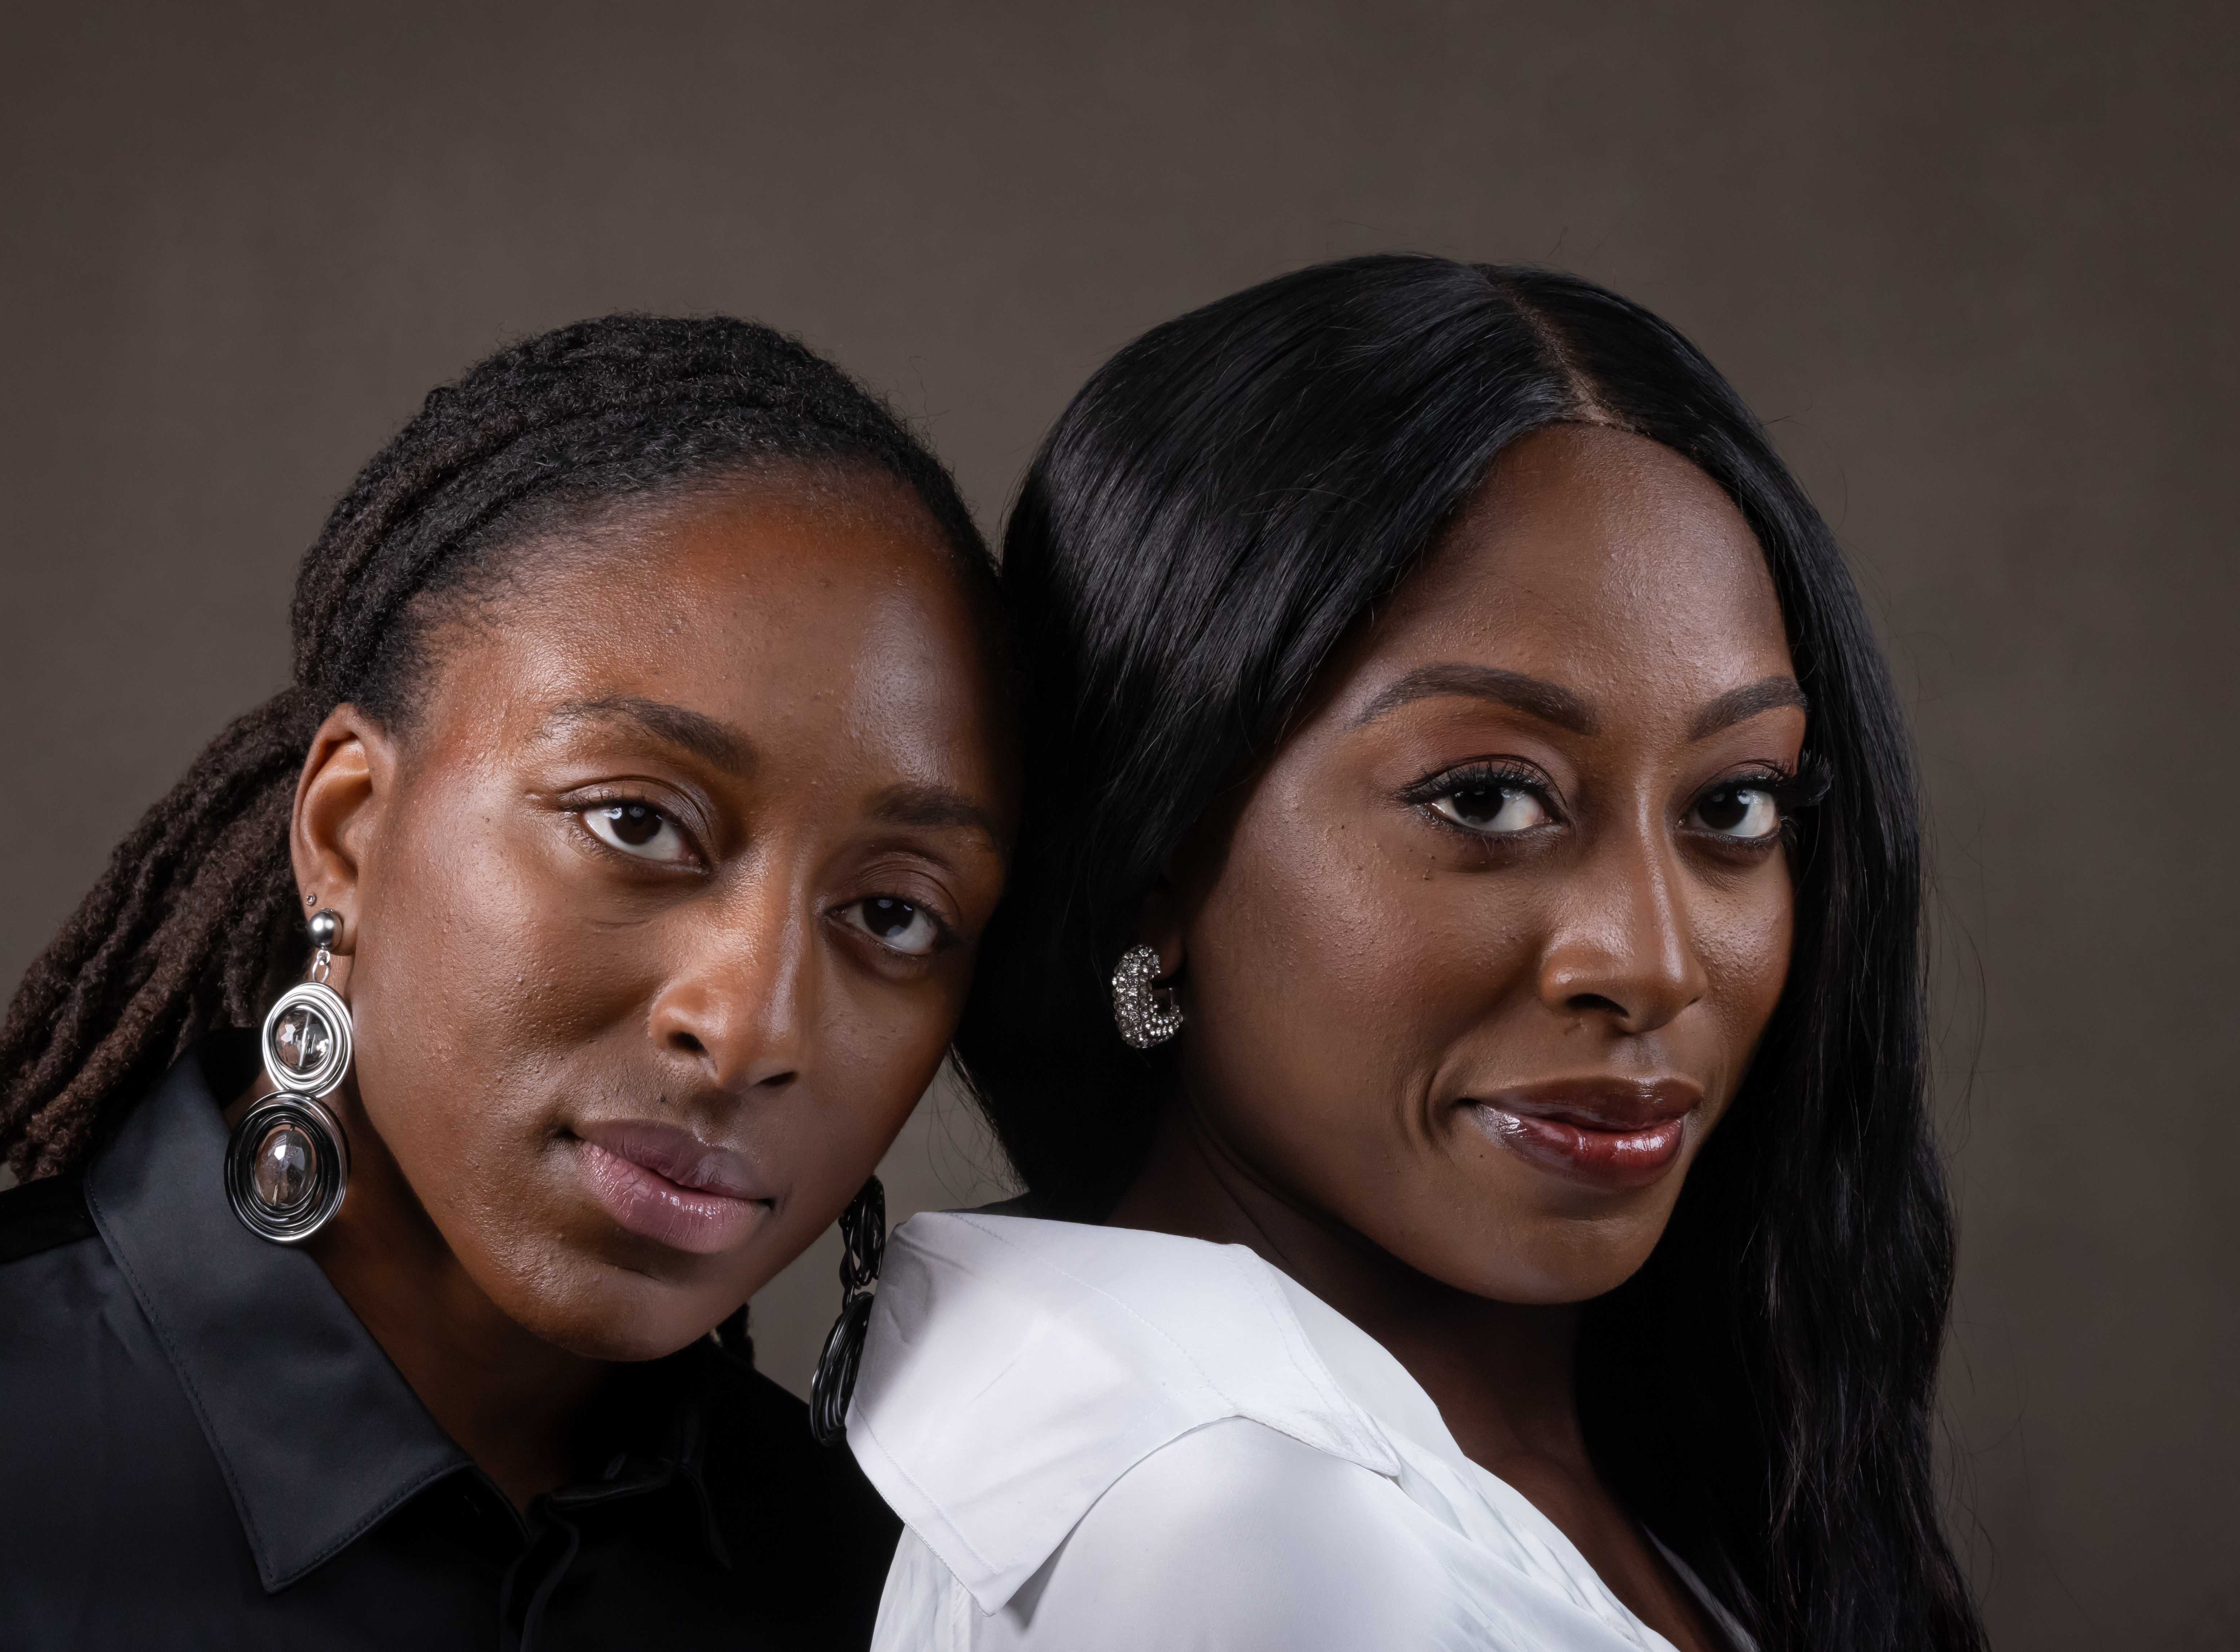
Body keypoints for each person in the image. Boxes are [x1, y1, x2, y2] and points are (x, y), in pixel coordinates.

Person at [0, 315, 1018, 1651]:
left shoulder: (899, 1591)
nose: (749, 1026)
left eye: (891, 913)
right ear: (348, 827)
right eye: (634, 822)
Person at [841, 257, 1986, 1652]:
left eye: (1733, 805)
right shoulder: (1244, 1530)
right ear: (1149, 865)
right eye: (1487, 797)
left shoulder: (1658, 1457)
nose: (1654, 961)